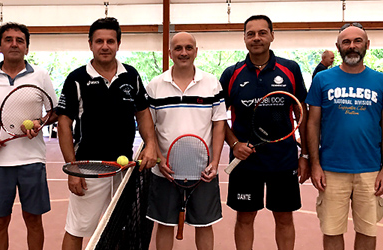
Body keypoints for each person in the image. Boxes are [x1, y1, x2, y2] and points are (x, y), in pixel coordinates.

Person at [57, 17, 158, 250]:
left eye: (110, 41)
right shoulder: (76, 79)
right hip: (88, 168)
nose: (105, 46)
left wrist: (150, 143)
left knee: (118, 228)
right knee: (77, 228)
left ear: (118, 44)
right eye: (99, 41)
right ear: (90, 44)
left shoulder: (131, 76)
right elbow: (64, 124)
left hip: (123, 168)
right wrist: (72, 168)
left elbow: (142, 113)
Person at [219, 15, 309, 250]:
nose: (256, 38)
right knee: (245, 218)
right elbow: (217, 118)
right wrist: (235, 144)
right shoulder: (231, 74)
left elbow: (302, 112)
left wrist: (305, 155)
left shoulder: (290, 69)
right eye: (251, 34)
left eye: (262, 33)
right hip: (245, 163)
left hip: (283, 159)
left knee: (284, 217)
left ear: (271, 36)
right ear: (244, 39)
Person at [0, 22, 58, 250]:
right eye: (8, 40)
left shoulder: (40, 75)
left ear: (27, 48)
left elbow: (54, 112)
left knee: (33, 220)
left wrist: (39, 122)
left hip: (32, 161)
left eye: (20, 40)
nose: (14, 44)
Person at [146, 32, 226, 250]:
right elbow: (148, 128)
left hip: (203, 171)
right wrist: (158, 159)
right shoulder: (155, 85)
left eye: (189, 48)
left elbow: (219, 124)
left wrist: (215, 163)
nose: (184, 52)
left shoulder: (211, 84)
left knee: (205, 225)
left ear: (196, 51)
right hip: (165, 171)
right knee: (164, 225)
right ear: (170, 53)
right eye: (178, 48)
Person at [306, 23, 383, 250]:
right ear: (338, 46)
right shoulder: (322, 79)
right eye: (346, 42)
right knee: (332, 231)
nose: (352, 46)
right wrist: (315, 164)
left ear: (367, 45)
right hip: (331, 169)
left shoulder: (380, 80)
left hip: (370, 169)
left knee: (368, 230)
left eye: (357, 41)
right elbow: (313, 123)